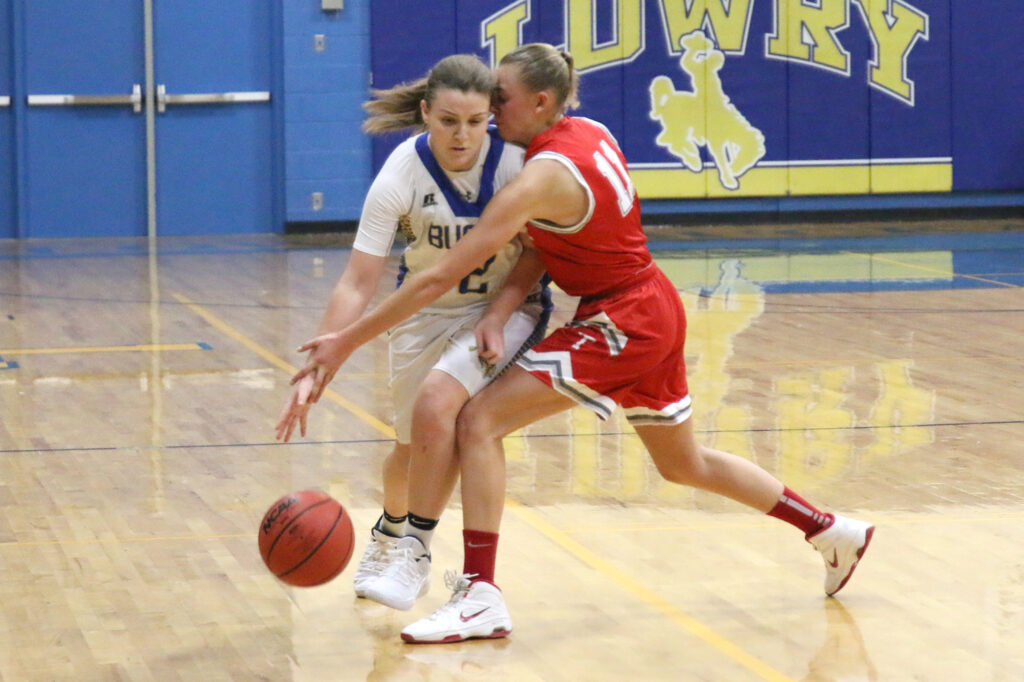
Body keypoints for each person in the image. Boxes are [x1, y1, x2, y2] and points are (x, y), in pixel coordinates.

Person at [289, 43, 874, 644]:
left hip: (623, 319)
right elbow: (544, 245)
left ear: (540, 101)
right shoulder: (589, 132)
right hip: (651, 303)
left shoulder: (537, 176)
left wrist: (343, 343)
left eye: (501, 99)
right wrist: (501, 310)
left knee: (479, 422)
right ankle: (829, 530)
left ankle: (479, 594)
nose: (493, 108)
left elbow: (441, 276)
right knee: (684, 464)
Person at [275, 53, 549, 611]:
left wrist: (499, 314)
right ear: (425, 113)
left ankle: (418, 554)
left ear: (491, 118)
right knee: (409, 450)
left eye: (475, 122)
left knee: (446, 417)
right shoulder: (402, 172)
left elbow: (538, 253)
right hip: (423, 312)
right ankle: (390, 530)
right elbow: (358, 280)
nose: (462, 135)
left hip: (503, 312)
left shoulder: (514, 164)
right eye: (448, 121)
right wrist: (318, 362)